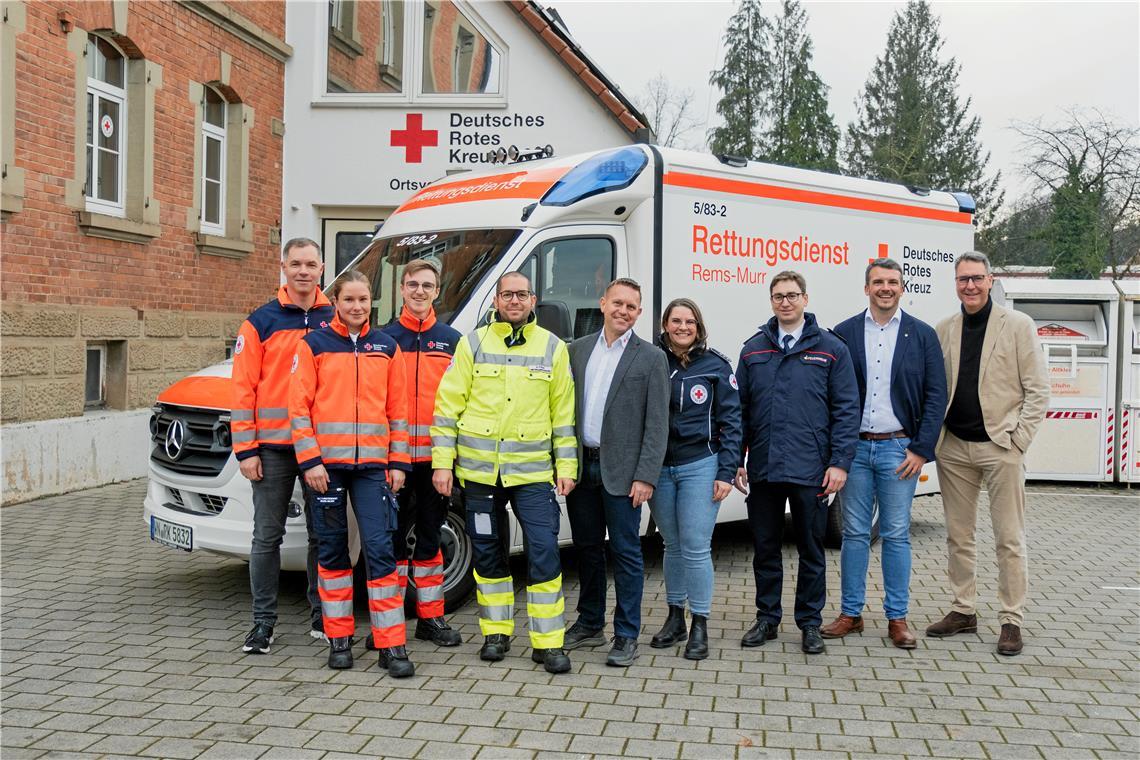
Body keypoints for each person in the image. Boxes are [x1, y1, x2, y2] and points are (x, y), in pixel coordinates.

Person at [430, 271, 578, 674]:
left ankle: (548, 642)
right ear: (496, 301)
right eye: (507, 294)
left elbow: (563, 415)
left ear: (533, 300)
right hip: (480, 474)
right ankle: (496, 634)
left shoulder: (552, 347)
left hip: (533, 475)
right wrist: (442, 463)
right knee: (488, 553)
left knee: (544, 551)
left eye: (521, 294)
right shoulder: (473, 344)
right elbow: (447, 407)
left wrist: (567, 466)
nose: (514, 301)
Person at [289, 270, 415, 676]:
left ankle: (391, 645)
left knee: (380, 551)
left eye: (363, 300)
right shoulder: (314, 345)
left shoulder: (386, 347)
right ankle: (338, 639)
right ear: (336, 303)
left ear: (370, 301)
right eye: (349, 300)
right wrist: (310, 461)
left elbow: (398, 410)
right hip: (327, 470)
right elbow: (298, 409)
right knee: (332, 551)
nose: (357, 307)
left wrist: (398, 462)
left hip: (374, 470)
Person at [927, 251, 1049, 656]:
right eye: (963, 279)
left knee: (1008, 539)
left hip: (1001, 447)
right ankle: (964, 610)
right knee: (958, 536)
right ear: (955, 283)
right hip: (954, 449)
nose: (971, 286)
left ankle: (1011, 619)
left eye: (977, 278)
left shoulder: (1017, 325)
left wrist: (1019, 441)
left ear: (990, 280)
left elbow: (1038, 390)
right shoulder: (945, 328)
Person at [823, 259, 947, 649]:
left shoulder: (922, 335)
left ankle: (897, 618)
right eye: (878, 281)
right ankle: (851, 614)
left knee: (895, 535)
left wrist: (921, 449)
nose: (886, 288)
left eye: (893, 281)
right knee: (854, 534)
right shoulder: (843, 333)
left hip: (899, 450)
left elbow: (936, 396)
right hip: (855, 449)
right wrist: (836, 452)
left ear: (902, 288)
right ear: (866, 288)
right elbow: (831, 395)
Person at [734, 270, 859, 655]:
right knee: (765, 549)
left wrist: (839, 463)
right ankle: (767, 618)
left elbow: (846, 410)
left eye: (792, 295)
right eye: (778, 296)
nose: (785, 302)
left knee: (811, 550)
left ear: (805, 298)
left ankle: (809, 623)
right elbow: (739, 412)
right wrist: (736, 460)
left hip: (811, 470)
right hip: (765, 469)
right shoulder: (753, 350)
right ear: (771, 301)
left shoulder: (831, 349)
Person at [231, 238, 334, 655]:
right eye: (296, 264)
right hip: (272, 448)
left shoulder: (335, 317)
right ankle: (263, 624)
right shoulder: (260, 322)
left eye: (310, 264)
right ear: (284, 267)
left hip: (321, 449)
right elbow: (242, 390)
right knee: (266, 538)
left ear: (322, 268)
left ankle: (323, 616)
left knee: (322, 535)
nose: (303, 271)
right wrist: (246, 449)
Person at [563, 278, 669, 668]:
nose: (623, 311)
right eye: (618, 303)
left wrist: (646, 476)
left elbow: (657, 425)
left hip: (625, 473)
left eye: (631, 306)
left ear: (639, 313)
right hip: (582, 468)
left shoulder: (651, 358)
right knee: (587, 549)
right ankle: (590, 623)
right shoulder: (576, 350)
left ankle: (626, 634)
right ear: (603, 303)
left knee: (626, 553)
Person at [648, 298, 741, 661]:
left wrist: (726, 472)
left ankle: (699, 623)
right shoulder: (652, 360)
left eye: (690, 322)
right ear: (665, 325)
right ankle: (675, 619)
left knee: (696, 545)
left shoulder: (716, 365)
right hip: (660, 468)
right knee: (671, 545)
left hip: (700, 465)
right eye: (676, 321)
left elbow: (732, 423)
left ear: (699, 327)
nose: (683, 327)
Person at [380, 260, 463, 647]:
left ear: (437, 291)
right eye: (412, 284)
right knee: (393, 542)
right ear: (402, 289)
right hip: (393, 461)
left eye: (427, 285)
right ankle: (391, 623)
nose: (419, 291)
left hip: (435, 461)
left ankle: (431, 619)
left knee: (430, 539)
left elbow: (462, 401)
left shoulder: (452, 341)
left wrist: (452, 457)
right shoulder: (383, 339)